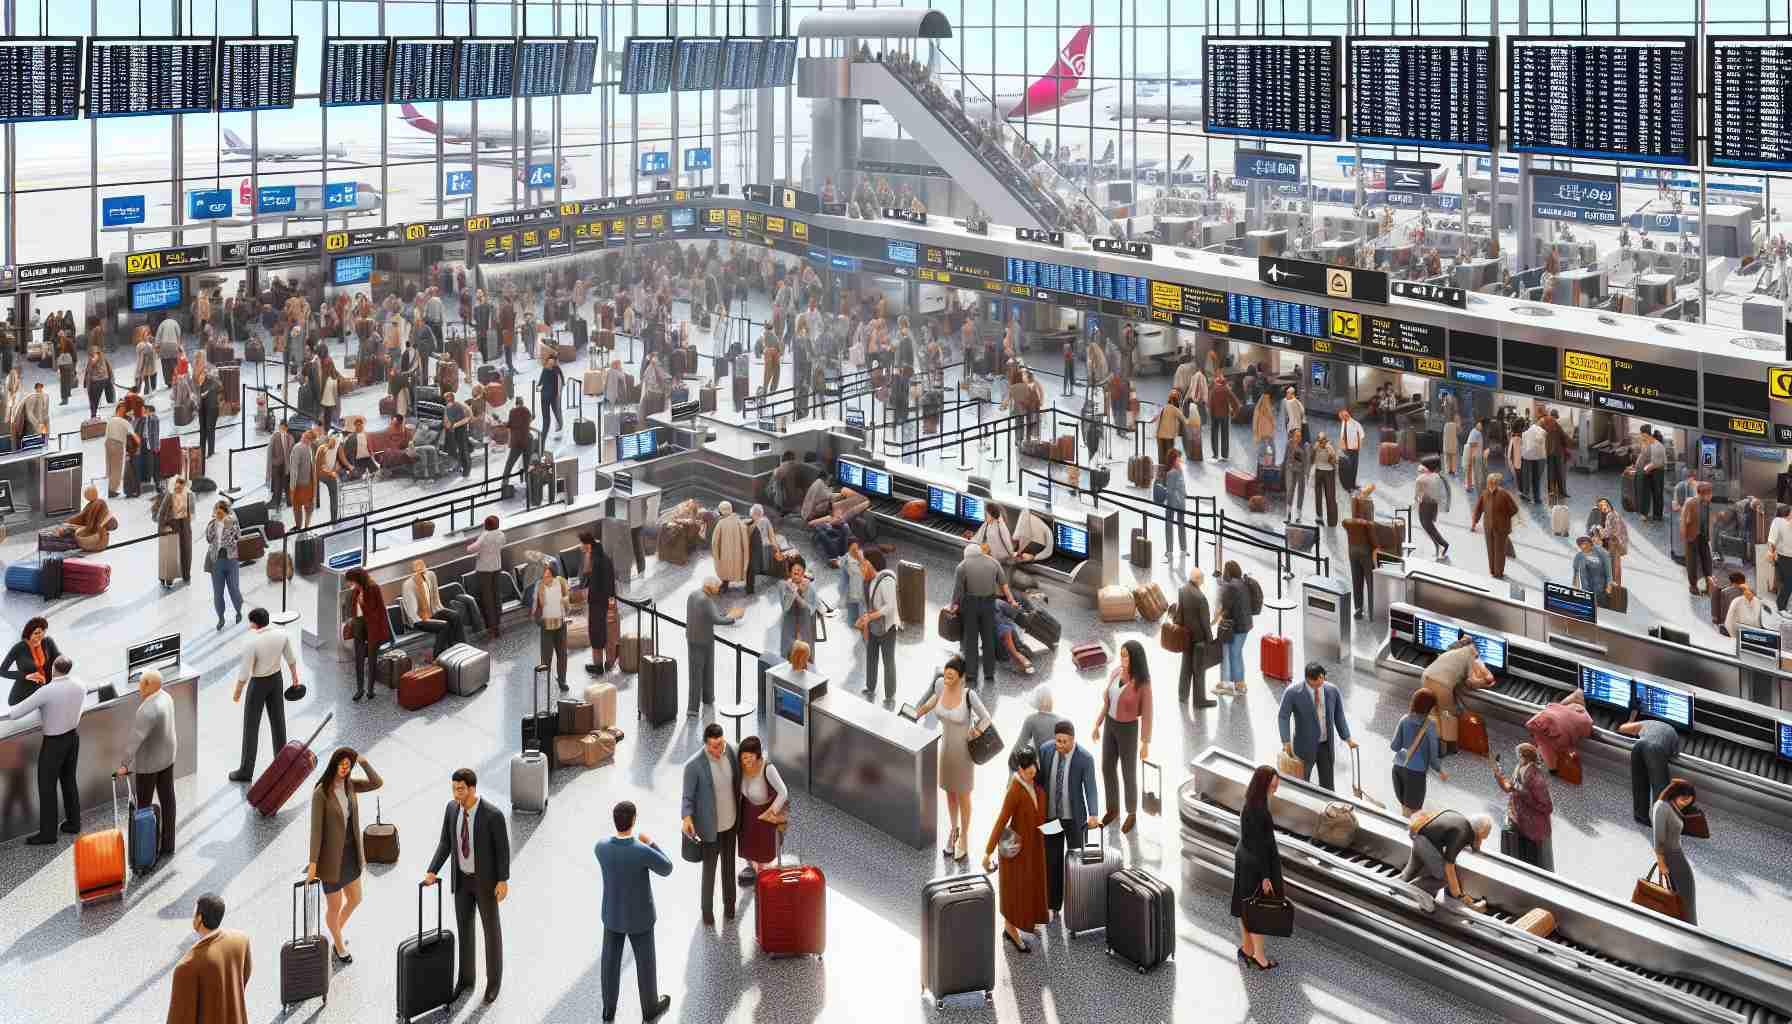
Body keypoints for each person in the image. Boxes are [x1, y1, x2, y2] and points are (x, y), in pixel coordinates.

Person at [424, 768, 510, 1005]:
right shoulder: (452, 809)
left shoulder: (493, 815)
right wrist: (432, 870)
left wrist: (503, 881)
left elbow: (503, 851)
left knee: (491, 933)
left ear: (472, 788)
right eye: (454, 788)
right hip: (462, 881)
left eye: (460, 788)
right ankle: (465, 979)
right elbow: (446, 842)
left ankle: (493, 984)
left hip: (486, 883)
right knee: (464, 930)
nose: (456, 793)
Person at [595, 801, 674, 1023]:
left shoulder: (601, 847)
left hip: (612, 915)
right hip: (641, 918)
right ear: (634, 820)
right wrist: (651, 842)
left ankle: (608, 1011)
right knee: (645, 963)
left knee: (609, 964)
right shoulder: (641, 851)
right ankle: (650, 1008)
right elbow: (667, 867)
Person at [306, 747, 383, 964]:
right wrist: (313, 864)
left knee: (356, 898)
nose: (344, 769)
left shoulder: (350, 785)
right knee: (335, 905)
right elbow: (316, 831)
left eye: (348, 765)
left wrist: (364, 762)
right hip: (330, 859)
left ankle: (335, 932)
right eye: (341, 764)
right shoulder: (321, 793)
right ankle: (338, 945)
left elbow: (377, 783)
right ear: (333, 764)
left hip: (350, 853)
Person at [914, 656, 991, 862]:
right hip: (945, 750)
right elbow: (931, 703)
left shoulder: (969, 695)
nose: (947, 679)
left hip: (964, 754)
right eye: (946, 674)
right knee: (950, 794)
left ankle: (964, 839)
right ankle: (954, 830)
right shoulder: (940, 685)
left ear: (961, 677)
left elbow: (986, 718)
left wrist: (976, 732)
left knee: (964, 796)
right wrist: (916, 713)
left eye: (951, 676)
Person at [0, 655, 83, 844]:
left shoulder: (47, 691)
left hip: (54, 743)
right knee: (69, 781)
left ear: (54, 668)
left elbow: (16, 712)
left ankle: (48, 834)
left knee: (47, 788)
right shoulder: (79, 684)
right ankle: (74, 823)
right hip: (73, 738)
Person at [982, 745, 1048, 953]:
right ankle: (1010, 929)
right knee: (1015, 889)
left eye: (1033, 765)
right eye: (1026, 766)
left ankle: (1024, 922)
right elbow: (1002, 820)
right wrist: (988, 851)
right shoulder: (1016, 790)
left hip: (1033, 848)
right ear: (1019, 768)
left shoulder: (1034, 786)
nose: (1031, 770)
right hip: (1017, 850)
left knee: (1029, 885)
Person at [1036, 720, 1100, 916]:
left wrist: (1094, 813)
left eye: (1064, 741)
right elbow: (1040, 779)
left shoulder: (1085, 759)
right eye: (1057, 741)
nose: (1060, 745)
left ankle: (1078, 902)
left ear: (1073, 740)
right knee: (1051, 861)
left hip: (1073, 819)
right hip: (1051, 818)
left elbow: (1090, 788)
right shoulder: (1046, 750)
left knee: (1076, 862)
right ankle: (1053, 905)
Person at [228, 608, 299, 783]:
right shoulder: (282, 634)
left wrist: (238, 691)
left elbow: (245, 671)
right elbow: (291, 658)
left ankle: (246, 770)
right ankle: (282, 766)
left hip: (258, 684)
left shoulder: (251, 641)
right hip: (276, 679)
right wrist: (295, 678)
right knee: (278, 722)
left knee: (251, 727)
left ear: (254, 623)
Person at [114, 668, 179, 857]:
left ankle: (146, 849)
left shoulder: (147, 710)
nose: (138, 687)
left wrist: (124, 764)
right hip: (168, 756)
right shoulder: (166, 696)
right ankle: (168, 844)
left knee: (143, 805)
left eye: (140, 683)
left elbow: (135, 740)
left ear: (148, 685)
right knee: (168, 799)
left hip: (149, 764)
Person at [681, 724, 741, 925]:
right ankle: (707, 912)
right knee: (709, 872)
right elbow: (687, 798)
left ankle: (730, 907)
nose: (719, 749)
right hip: (709, 829)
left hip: (730, 824)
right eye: (715, 746)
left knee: (729, 868)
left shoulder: (731, 751)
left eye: (721, 744)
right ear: (706, 745)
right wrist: (687, 818)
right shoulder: (693, 766)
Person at [1092, 639, 1153, 834]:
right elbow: (1107, 703)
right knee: (1107, 767)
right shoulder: (1115, 673)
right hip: (1110, 725)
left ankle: (1131, 812)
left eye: (1126, 655)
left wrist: (1145, 743)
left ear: (1135, 657)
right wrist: (1098, 724)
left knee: (1128, 772)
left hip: (1128, 729)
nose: (1122, 658)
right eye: (1121, 654)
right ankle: (1113, 808)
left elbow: (1148, 714)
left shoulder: (1142, 683)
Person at [165, 894, 252, 1024]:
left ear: (199, 919)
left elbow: (179, 1018)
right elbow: (245, 973)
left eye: (194, 912)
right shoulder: (241, 940)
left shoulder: (187, 966)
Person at [1232, 764, 1285, 971]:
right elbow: (1260, 846)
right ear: (1263, 785)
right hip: (1255, 865)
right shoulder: (1258, 810)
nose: (1275, 790)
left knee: (1246, 906)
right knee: (1257, 912)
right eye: (1273, 786)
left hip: (1245, 860)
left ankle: (1247, 949)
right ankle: (1260, 958)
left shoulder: (1253, 803)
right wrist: (1265, 876)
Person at [1277, 662, 1357, 791]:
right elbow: (1283, 716)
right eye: (1317, 681)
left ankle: (1327, 805)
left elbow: (1339, 716)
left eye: (1322, 678)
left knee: (1328, 785)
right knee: (1301, 782)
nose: (1321, 683)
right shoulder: (1293, 692)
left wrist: (1348, 738)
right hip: (1303, 746)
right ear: (1308, 679)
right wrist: (1286, 742)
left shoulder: (1332, 690)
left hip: (1325, 745)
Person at [1401, 810, 1494, 910]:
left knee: (1411, 871)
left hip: (1418, 834)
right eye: (1488, 832)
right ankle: (1412, 889)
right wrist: (1458, 895)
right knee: (1444, 878)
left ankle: (1394, 890)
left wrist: (1476, 844)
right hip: (1425, 842)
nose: (1488, 835)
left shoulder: (1462, 822)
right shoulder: (1464, 833)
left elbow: (1471, 844)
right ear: (1480, 831)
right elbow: (1449, 866)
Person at [1420, 635, 1494, 755]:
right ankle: (1450, 747)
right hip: (1441, 684)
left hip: (1426, 677)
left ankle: (1435, 745)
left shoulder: (1452, 653)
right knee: (1448, 715)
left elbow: (1456, 672)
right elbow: (1470, 682)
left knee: (1435, 713)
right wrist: (1485, 683)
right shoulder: (1469, 654)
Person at [950, 542, 1004, 689]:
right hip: (988, 604)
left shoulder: (962, 566)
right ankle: (989, 673)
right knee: (988, 640)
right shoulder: (994, 563)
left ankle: (971, 675)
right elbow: (1003, 583)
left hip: (971, 606)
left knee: (971, 641)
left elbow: (958, 592)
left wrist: (953, 607)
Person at [685, 577, 742, 716]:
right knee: (703, 673)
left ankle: (704, 701)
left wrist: (726, 615)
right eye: (717, 587)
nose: (719, 589)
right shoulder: (706, 600)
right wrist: (734, 617)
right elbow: (717, 619)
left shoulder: (693, 595)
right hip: (704, 640)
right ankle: (695, 707)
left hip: (693, 638)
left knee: (696, 673)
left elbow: (710, 615)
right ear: (710, 587)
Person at [735, 735, 791, 874]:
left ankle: (762, 871)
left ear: (757, 755)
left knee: (763, 849)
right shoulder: (741, 767)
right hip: (748, 811)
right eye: (743, 758)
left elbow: (783, 792)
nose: (746, 761)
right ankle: (752, 866)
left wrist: (772, 812)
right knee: (748, 844)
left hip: (764, 813)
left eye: (750, 757)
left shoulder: (768, 768)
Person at [1494, 742, 1554, 870]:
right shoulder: (1518, 769)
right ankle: (1508, 867)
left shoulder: (1537, 779)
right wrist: (1498, 775)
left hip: (1533, 828)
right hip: (1517, 817)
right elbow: (1509, 788)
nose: (1518, 758)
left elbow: (1547, 807)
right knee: (1507, 833)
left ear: (1526, 757)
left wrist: (1525, 796)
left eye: (1519, 756)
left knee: (1533, 862)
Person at [1389, 688, 1447, 816]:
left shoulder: (1404, 719)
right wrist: (1440, 770)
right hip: (1415, 775)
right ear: (1430, 707)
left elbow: (1394, 746)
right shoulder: (1430, 726)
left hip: (1398, 768)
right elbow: (1433, 757)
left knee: (1404, 810)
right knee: (1413, 815)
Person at [1619, 714, 1682, 825]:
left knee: (1639, 783)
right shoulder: (1673, 732)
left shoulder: (1647, 723)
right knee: (1661, 788)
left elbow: (1622, 728)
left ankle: (1641, 816)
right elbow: (1674, 755)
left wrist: (1631, 720)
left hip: (1638, 747)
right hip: (1655, 749)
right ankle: (1660, 823)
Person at [1652, 778, 1699, 925]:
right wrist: (1661, 862)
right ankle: (1687, 925)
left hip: (1677, 856)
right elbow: (1658, 837)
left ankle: (1688, 924)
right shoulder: (1662, 807)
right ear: (1674, 794)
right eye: (1684, 799)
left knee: (1685, 894)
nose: (1685, 803)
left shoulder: (1672, 808)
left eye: (1689, 801)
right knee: (1683, 895)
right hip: (1671, 857)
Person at [856, 554, 901, 701]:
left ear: (871, 564)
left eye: (863, 564)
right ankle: (870, 687)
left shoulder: (886, 581)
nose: (860, 568)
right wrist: (865, 620)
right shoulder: (867, 581)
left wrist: (870, 617)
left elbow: (890, 606)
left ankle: (890, 695)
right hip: (873, 625)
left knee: (888, 660)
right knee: (871, 656)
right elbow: (867, 604)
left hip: (887, 627)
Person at [342, 568, 390, 701]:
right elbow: (352, 608)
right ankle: (359, 689)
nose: (348, 583)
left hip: (372, 625)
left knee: (372, 658)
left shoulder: (374, 588)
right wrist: (351, 618)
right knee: (358, 658)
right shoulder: (355, 590)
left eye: (350, 581)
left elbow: (380, 610)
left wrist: (363, 604)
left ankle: (370, 690)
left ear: (357, 579)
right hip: (358, 624)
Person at [403, 558, 465, 660]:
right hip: (419, 619)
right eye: (418, 573)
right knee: (444, 626)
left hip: (433, 611)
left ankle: (460, 647)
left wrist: (438, 610)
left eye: (423, 571)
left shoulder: (431, 576)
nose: (422, 575)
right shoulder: (408, 585)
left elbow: (435, 599)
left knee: (455, 616)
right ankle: (437, 656)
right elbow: (412, 613)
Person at [1525, 689, 1593, 774]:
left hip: (1552, 731)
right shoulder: (1586, 718)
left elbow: (1530, 724)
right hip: (1568, 735)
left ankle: (1553, 768)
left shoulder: (1551, 710)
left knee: (1544, 744)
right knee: (1548, 744)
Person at [1213, 561, 1254, 696]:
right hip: (1246, 625)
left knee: (1229, 654)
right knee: (1236, 653)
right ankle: (1239, 684)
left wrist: (1213, 621)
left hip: (1235, 627)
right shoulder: (1242, 583)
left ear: (1228, 572)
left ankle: (1228, 685)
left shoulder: (1230, 587)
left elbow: (1225, 607)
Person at [202, 500, 244, 631]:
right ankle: (221, 617)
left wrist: (230, 525)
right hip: (217, 562)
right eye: (217, 511)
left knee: (234, 590)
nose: (219, 514)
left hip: (231, 560)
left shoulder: (232, 523)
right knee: (218, 593)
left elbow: (238, 537)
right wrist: (214, 524)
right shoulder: (212, 524)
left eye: (221, 512)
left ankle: (238, 610)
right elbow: (208, 539)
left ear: (226, 512)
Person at [532, 559, 571, 693]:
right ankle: (547, 681)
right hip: (547, 627)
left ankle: (562, 680)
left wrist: (565, 606)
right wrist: (539, 620)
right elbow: (535, 607)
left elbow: (567, 599)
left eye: (548, 575)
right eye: (544, 575)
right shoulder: (540, 586)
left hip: (560, 625)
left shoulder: (561, 582)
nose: (546, 577)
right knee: (547, 657)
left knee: (562, 654)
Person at [1470, 472, 1519, 579]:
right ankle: (1492, 570)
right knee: (1491, 549)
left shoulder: (1504, 494)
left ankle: (1498, 573)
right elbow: (1478, 509)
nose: (1491, 485)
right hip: (1488, 527)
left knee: (1500, 551)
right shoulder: (1485, 494)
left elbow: (1514, 509)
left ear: (1496, 483)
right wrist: (1474, 522)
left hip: (1501, 528)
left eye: (1493, 483)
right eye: (1489, 483)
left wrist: (1505, 518)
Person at [468, 516, 506, 640]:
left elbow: (471, 549)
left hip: (484, 570)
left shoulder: (485, 536)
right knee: (496, 596)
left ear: (486, 525)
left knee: (488, 599)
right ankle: (498, 624)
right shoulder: (501, 534)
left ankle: (492, 627)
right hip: (497, 567)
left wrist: (470, 544)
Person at [157, 476, 195, 586]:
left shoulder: (188, 495)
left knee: (186, 550)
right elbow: (161, 514)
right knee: (170, 553)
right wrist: (163, 527)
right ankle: (168, 578)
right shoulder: (170, 496)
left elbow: (191, 512)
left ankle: (186, 574)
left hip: (184, 526)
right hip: (172, 527)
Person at [777, 557, 818, 657]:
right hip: (789, 627)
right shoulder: (784, 586)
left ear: (804, 572)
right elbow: (785, 607)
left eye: (800, 572)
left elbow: (811, 609)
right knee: (788, 655)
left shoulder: (810, 587)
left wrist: (800, 595)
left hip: (805, 627)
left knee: (805, 657)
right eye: (795, 573)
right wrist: (793, 592)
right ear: (790, 573)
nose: (798, 575)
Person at [1681, 481, 1715, 595]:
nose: (1711, 496)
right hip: (1692, 535)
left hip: (1704, 536)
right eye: (1709, 493)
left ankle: (1709, 584)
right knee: (1692, 561)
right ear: (1703, 493)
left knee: (1707, 560)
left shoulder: (1708, 504)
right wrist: (1684, 535)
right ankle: (1693, 586)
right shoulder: (1691, 502)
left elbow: (1709, 519)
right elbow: (1683, 519)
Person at [1414, 456, 1450, 559]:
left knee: (1428, 526)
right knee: (1428, 526)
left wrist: (1416, 500)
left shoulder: (1423, 478)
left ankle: (1443, 544)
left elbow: (1417, 495)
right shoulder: (1436, 476)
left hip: (1425, 504)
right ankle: (1438, 546)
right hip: (1432, 504)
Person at [710, 501, 748, 592]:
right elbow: (745, 540)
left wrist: (716, 553)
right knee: (736, 567)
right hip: (737, 553)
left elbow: (715, 542)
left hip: (725, 554)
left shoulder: (721, 523)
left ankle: (725, 585)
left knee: (725, 570)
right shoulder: (739, 522)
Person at [500, 397, 533, 496]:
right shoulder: (527, 411)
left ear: (516, 403)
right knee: (527, 464)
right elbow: (529, 421)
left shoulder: (512, 411)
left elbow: (510, 424)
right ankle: (529, 486)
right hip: (527, 441)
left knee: (509, 463)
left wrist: (505, 424)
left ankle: (504, 483)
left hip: (516, 442)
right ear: (522, 403)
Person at [1596, 497, 1628, 586]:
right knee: (1617, 566)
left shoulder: (1610, 515)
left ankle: (1615, 588)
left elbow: (1606, 533)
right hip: (1619, 542)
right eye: (1601, 506)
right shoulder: (1615, 514)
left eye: (1605, 504)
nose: (1603, 507)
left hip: (1614, 542)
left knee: (1614, 566)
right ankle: (1618, 586)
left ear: (1609, 505)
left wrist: (1599, 528)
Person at [1336, 408, 1365, 491]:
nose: (1341, 418)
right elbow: (1342, 436)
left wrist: (1359, 446)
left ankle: (1353, 484)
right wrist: (1340, 448)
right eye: (1341, 417)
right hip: (1346, 449)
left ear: (1347, 415)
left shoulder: (1356, 424)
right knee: (1348, 468)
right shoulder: (1343, 423)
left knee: (1354, 467)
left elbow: (1362, 435)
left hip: (1354, 449)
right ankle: (1348, 486)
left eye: (1343, 416)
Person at [1519, 417, 1547, 502]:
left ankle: (1525, 494)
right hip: (1538, 457)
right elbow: (1541, 440)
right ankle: (1536, 498)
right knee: (1536, 478)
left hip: (1527, 456)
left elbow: (1523, 441)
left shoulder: (1527, 431)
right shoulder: (1542, 431)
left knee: (1526, 476)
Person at [538, 353, 565, 435]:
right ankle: (558, 429)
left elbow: (540, 383)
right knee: (556, 412)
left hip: (546, 396)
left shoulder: (545, 369)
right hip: (553, 396)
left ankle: (545, 432)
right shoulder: (556, 370)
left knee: (547, 417)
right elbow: (561, 382)